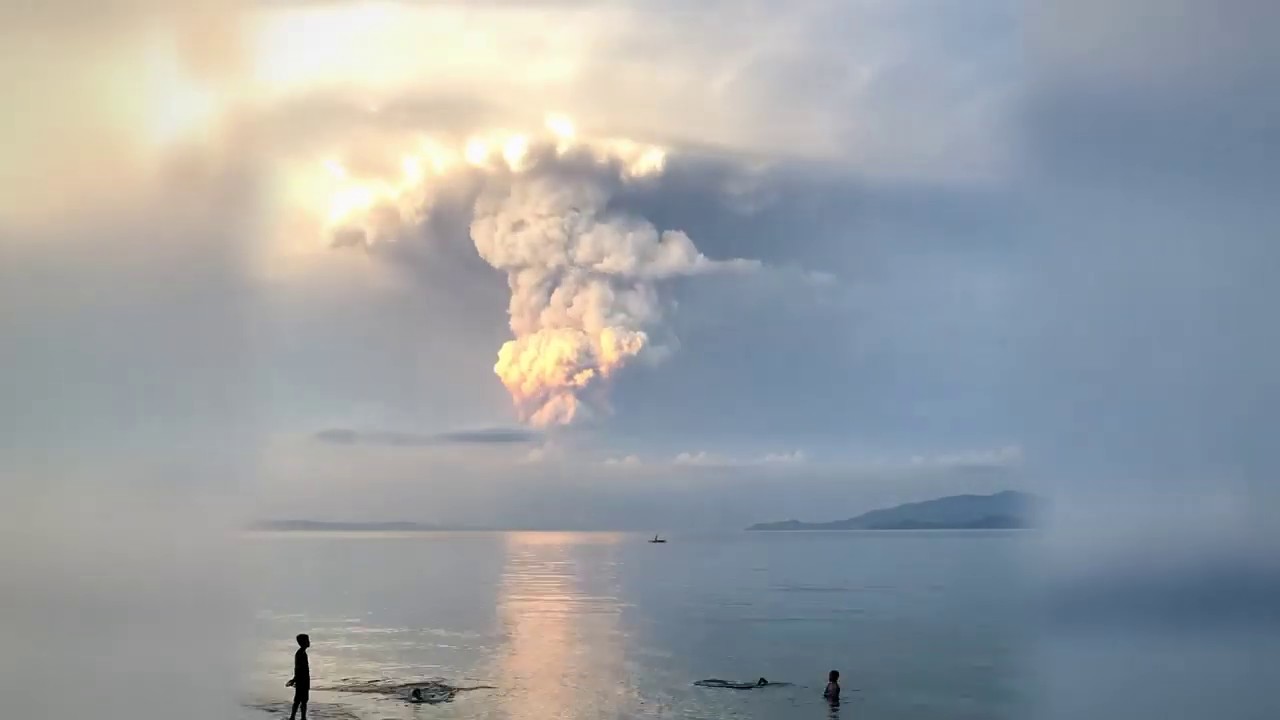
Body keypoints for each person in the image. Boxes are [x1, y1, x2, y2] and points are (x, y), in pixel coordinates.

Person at [285, 634, 311, 720]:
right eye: (307, 640)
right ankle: (293, 717)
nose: (309, 642)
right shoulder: (300, 654)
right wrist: (295, 679)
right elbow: (298, 669)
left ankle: (301, 717)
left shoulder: (302, 653)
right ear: (302, 642)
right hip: (302, 680)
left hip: (304, 680)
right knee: (298, 700)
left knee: (303, 700)